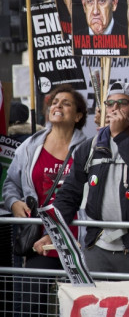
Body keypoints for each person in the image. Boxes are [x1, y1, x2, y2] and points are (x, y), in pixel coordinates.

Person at [50, 82, 129, 275]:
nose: (115, 108)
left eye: (123, 103)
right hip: (98, 245)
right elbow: (70, 193)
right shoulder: (88, 147)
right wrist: (53, 232)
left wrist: (121, 136)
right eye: (110, 103)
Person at [3, 85, 87, 316]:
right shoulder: (29, 146)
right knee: (31, 306)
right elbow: (11, 183)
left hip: (76, 241)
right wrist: (13, 203)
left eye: (66, 103)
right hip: (39, 243)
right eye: (55, 101)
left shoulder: (88, 149)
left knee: (80, 307)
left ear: (78, 116)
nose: (57, 105)